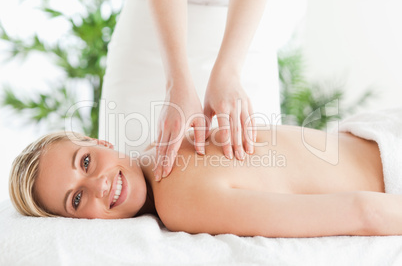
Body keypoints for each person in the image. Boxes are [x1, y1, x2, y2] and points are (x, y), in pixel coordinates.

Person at [9, 108, 402, 238]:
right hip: (373, 136)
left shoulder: (179, 199)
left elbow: (363, 213)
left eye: (85, 162)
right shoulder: (166, 143)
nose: (97, 185)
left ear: (100, 143)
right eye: (76, 200)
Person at [99, 0, 281, 182]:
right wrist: (176, 83)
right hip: (154, 30)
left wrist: (229, 73)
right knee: (127, 172)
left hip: (243, 28)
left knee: (253, 173)